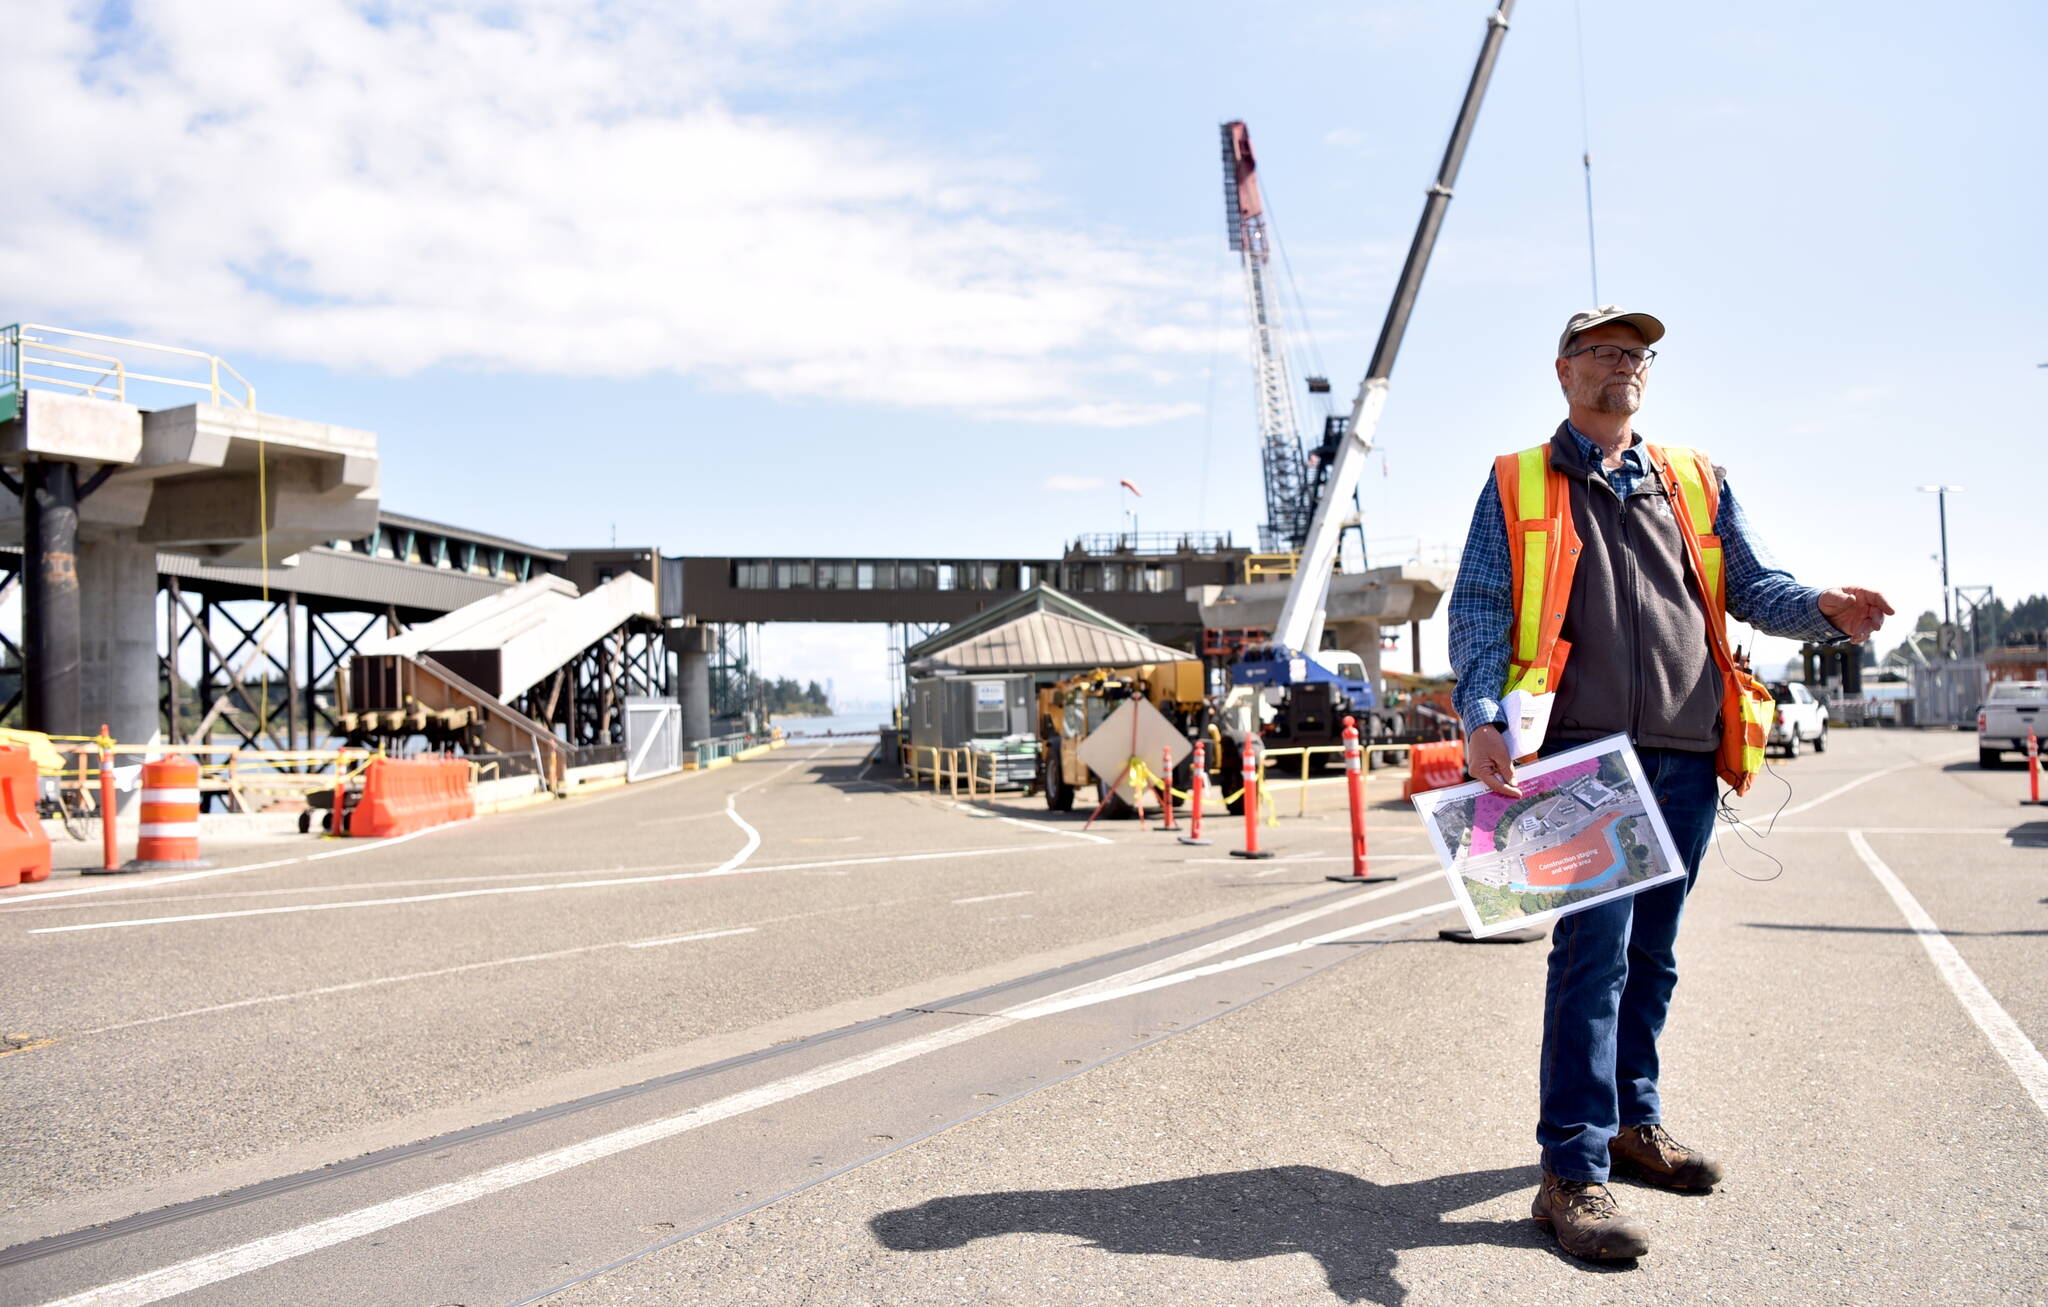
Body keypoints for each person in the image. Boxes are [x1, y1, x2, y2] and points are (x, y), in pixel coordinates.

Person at [1445, 306, 1892, 1260]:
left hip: (1687, 749)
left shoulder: (1694, 478)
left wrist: (1820, 605)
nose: (1625, 367)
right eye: (1605, 352)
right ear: (1563, 371)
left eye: (1637, 355)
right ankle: (1570, 1170)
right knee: (1592, 957)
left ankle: (1631, 1124)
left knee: (1654, 953)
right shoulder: (1519, 481)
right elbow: (1481, 607)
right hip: (1581, 752)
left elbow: (1750, 586)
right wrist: (1481, 715)